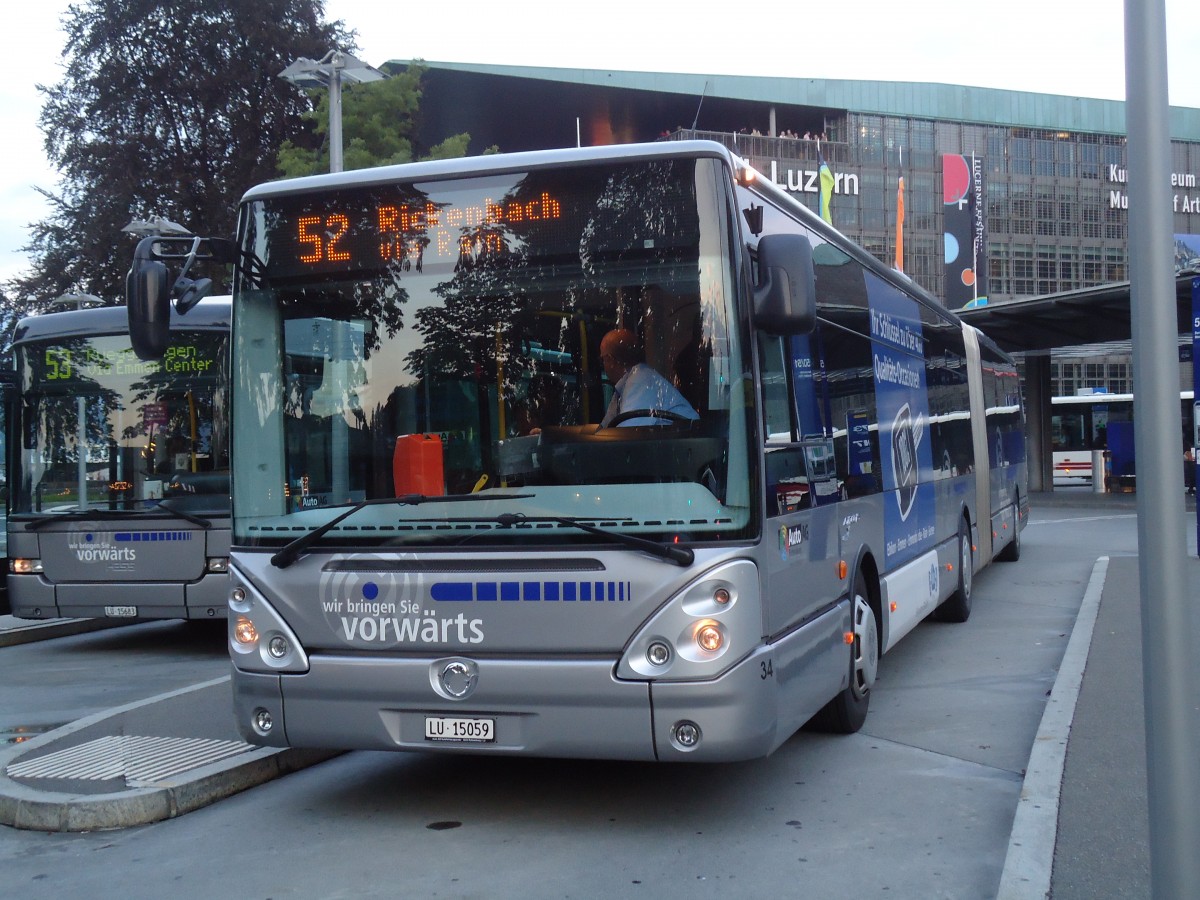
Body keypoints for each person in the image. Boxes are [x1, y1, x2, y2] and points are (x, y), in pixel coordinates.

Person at [599, 328, 699, 427]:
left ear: (610, 359)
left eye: (602, 359)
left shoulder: (641, 380)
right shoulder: (623, 388)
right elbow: (605, 427)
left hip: (689, 441)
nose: (603, 364)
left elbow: (628, 434)